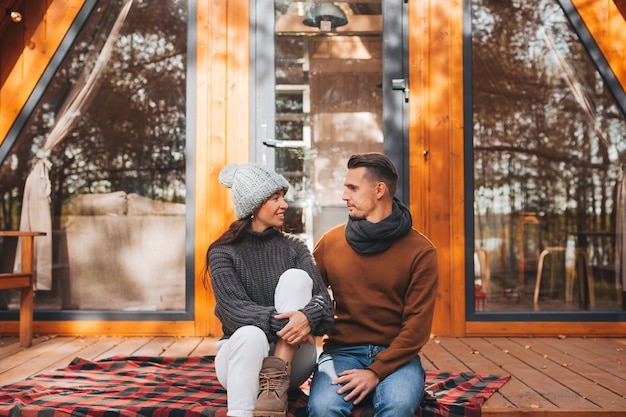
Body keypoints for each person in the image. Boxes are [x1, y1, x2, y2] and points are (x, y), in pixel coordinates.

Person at [307, 152, 439, 417]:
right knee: (323, 408)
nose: (344, 196)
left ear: (380, 190)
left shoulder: (421, 251)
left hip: (398, 357)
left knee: (398, 407)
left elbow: (416, 328)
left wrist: (374, 372)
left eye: (352, 188)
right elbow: (308, 300)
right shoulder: (331, 243)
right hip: (342, 352)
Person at [204, 163, 334, 417]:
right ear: (253, 205)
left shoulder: (295, 248)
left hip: (291, 364)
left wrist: (308, 317)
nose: (284, 204)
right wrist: (295, 321)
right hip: (240, 359)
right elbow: (234, 312)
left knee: (296, 278)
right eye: (275, 198)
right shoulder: (222, 252)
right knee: (251, 334)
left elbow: (325, 306)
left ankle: (275, 381)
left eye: (283, 197)